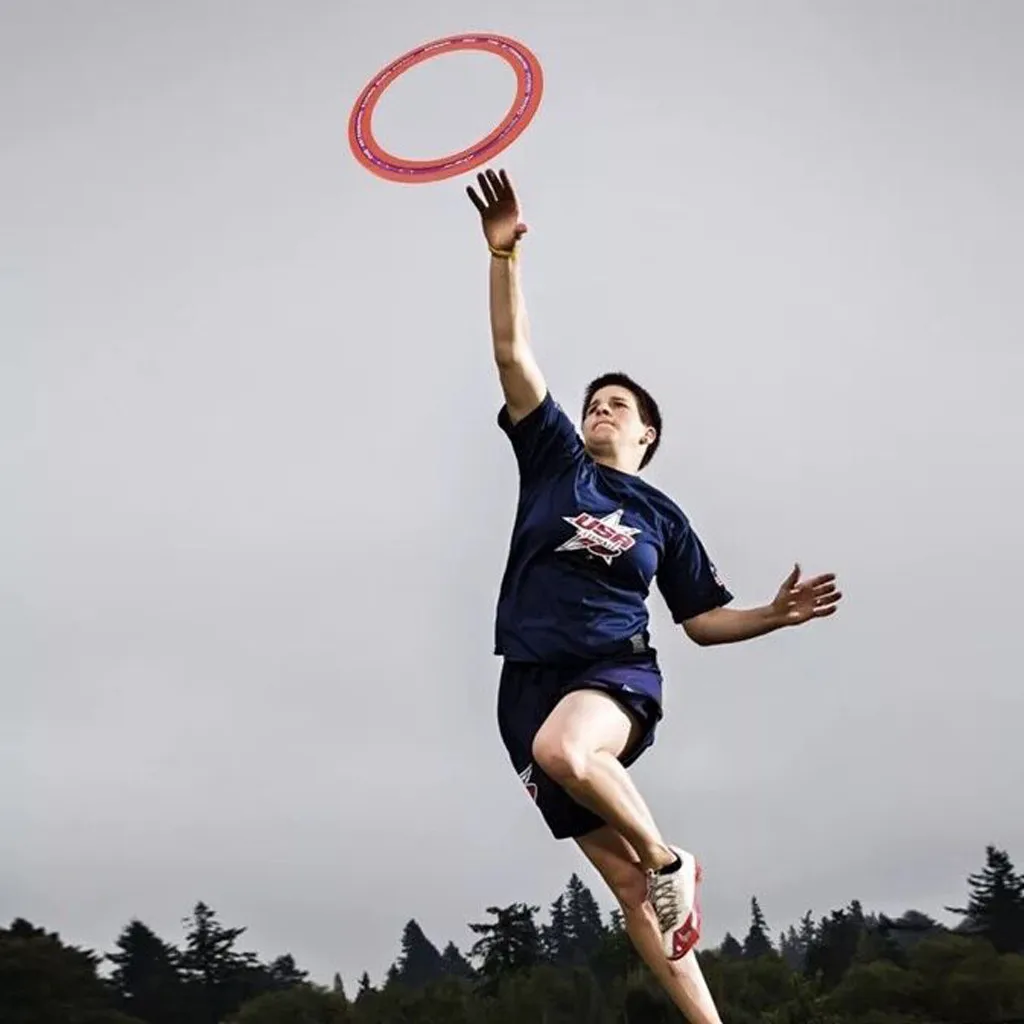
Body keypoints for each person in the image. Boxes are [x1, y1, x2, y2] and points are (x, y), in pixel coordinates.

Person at [466, 167, 842, 1024]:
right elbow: (512, 355)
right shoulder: (554, 463)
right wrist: (504, 257)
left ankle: (674, 860)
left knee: (572, 755)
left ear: (648, 433)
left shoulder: (662, 517)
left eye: (618, 405)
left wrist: (772, 615)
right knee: (629, 889)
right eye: (593, 403)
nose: (599, 410)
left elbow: (701, 620)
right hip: (523, 687)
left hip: (613, 673)